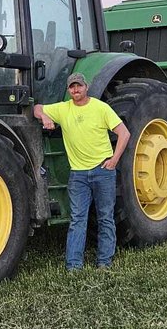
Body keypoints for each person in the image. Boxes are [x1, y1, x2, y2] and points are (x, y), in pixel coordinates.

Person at [34, 73, 130, 271]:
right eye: (72, 87)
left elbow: (124, 133)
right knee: (77, 219)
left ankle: (104, 262)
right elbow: (37, 108)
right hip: (78, 175)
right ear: (69, 90)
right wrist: (44, 116)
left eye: (78, 86)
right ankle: (74, 266)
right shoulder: (63, 108)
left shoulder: (100, 108)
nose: (75, 90)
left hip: (102, 171)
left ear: (86, 87)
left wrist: (114, 160)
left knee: (105, 217)